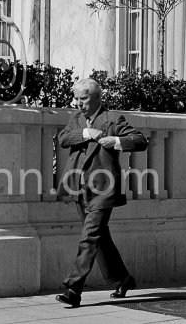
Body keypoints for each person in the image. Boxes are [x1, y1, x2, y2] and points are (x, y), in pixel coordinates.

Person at [55, 78, 148, 308]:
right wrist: (87, 133)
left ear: (97, 98)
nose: (78, 103)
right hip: (79, 186)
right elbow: (63, 138)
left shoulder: (113, 119)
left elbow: (140, 141)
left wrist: (115, 140)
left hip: (103, 189)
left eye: (83, 99)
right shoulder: (77, 118)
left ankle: (74, 289)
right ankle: (124, 279)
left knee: (89, 237)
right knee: (100, 238)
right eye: (76, 98)